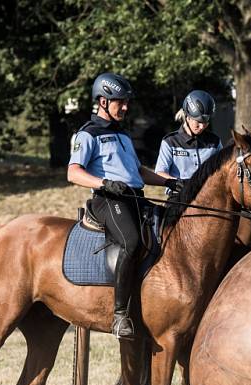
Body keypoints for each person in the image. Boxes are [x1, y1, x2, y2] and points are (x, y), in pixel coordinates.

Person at [68, 72, 180, 339]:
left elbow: (138, 171)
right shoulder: (87, 134)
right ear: (103, 102)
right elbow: (73, 172)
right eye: (120, 102)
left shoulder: (123, 134)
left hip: (134, 197)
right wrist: (104, 183)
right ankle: (120, 316)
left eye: (126, 102)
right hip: (108, 200)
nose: (126, 107)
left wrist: (173, 181)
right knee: (131, 241)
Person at [155, 90, 222, 190]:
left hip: (208, 197)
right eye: (198, 121)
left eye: (206, 122)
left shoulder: (215, 142)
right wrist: (178, 183)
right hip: (178, 197)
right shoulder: (170, 142)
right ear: (187, 117)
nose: (202, 126)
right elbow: (160, 172)